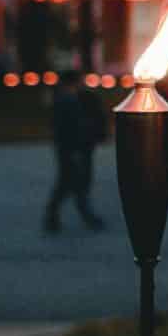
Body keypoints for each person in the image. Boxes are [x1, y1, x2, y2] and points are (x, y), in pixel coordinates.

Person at [41, 70, 108, 234]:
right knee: (70, 183)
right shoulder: (67, 100)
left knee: (75, 183)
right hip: (74, 148)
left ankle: (76, 216)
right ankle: (57, 216)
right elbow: (69, 128)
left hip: (75, 147)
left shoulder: (67, 98)